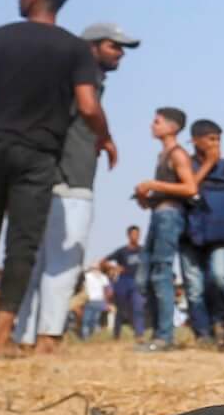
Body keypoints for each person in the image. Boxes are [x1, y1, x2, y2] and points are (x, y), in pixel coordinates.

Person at [0, 0, 109, 357]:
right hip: (38, 155)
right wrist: (104, 137)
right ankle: (0, 339)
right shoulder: (73, 49)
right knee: (20, 247)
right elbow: (89, 106)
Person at [18, 18, 136, 349]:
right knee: (63, 261)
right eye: (114, 46)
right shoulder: (84, 80)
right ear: (90, 47)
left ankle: (24, 336)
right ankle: (49, 336)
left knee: (39, 261)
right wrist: (106, 136)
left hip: (47, 177)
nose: (120, 55)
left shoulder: (54, 78)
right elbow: (87, 110)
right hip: (72, 178)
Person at [129, 107, 202, 351]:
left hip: (169, 217)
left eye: (157, 121)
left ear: (172, 127)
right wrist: (147, 196)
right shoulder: (164, 155)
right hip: (159, 214)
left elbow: (190, 188)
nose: (153, 125)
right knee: (146, 276)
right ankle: (157, 332)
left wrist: (152, 184)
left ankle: (164, 336)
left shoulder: (177, 154)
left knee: (161, 273)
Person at [178, 119, 224, 345]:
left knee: (220, 278)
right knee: (194, 287)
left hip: (219, 234)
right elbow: (187, 188)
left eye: (218, 139)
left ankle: (222, 326)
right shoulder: (185, 163)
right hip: (190, 234)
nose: (215, 144)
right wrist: (207, 165)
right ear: (195, 141)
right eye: (211, 139)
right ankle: (203, 334)